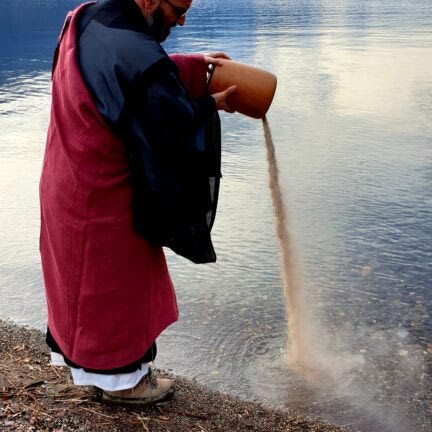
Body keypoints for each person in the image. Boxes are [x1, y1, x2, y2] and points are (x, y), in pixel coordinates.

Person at [39, 0, 236, 405]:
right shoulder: (133, 52)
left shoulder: (92, 15)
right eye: (178, 8)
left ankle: (99, 372)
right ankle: (124, 385)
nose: (182, 19)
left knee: (82, 288)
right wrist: (208, 108)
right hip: (102, 194)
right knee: (116, 289)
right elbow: (167, 119)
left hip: (68, 175)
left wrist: (194, 66)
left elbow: (134, 78)